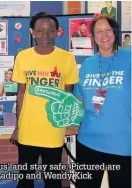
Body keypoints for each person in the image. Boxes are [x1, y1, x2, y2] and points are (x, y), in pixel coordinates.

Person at [11, 12, 79, 188]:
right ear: (32, 32)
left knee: (53, 179)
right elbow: (21, 94)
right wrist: (17, 127)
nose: (45, 36)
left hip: (53, 130)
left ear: (57, 32)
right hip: (28, 129)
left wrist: (69, 122)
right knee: (25, 179)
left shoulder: (67, 58)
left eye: (50, 31)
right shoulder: (23, 57)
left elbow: (68, 95)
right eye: (40, 31)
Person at [74, 14, 131, 188]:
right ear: (93, 37)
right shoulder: (87, 64)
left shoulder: (129, 57)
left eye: (108, 30)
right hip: (88, 140)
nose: (104, 35)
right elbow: (79, 99)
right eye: (98, 31)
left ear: (115, 32)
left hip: (121, 141)